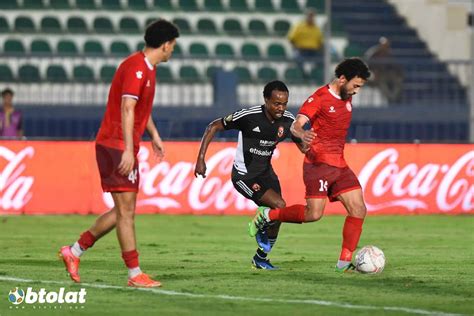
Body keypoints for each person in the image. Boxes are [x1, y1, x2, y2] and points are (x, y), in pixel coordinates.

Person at [58, 19, 179, 288]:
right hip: (115, 145)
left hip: (120, 144)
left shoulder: (146, 67)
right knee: (126, 213)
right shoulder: (137, 68)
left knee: (124, 210)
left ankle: (74, 251)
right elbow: (127, 107)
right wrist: (127, 150)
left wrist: (154, 135)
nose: (173, 51)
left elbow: (139, 110)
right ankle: (134, 274)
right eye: (173, 46)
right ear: (166, 44)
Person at [248, 58, 371, 273]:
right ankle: (268, 216)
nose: (356, 91)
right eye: (355, 85)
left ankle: (344, 263)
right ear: (342, 79)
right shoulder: (319, 98)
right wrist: (302, 133)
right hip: (318, 165)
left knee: (359, 209)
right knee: (313, 214)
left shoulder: (346, 95)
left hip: (340, 165)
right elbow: (296, 125)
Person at [194, 81, 307, 270]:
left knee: (279, 214)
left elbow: (301, 143)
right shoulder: (248, 116)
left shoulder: (288, 120)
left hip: (267, 173)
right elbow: (213, 126)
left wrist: (307, 145)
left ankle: (261, 258)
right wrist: (200, 159)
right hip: (244, 176)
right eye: (276, 104)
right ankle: (261, 219)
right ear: (265, 100)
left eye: (284, 104)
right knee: (279, 206)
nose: (281, 108)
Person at [364, 37, 403, 104]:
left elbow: (395, 66)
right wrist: (373, 73)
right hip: (372, 74)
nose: (385, 47)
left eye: (387, 45)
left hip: (384, 74)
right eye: (384, 45)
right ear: (380, 45)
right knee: (382, 82)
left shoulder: (389, 54)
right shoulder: (373, 53)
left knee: (398, 80)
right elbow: (366, 66)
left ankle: (394, 98)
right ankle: (390, 99)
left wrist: (398, 74)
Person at [287, 8, 324, 76]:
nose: (311, 18)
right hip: (301, 50)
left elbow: (320, 42)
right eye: (309, 16)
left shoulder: (316, 28)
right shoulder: (298, 26)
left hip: (314, 51)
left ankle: (315, 75)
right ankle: (304, 75)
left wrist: (320, 50)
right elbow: (291, 38)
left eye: (312, 16)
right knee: (297, 58)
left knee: (323, 60)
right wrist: (296, 47)